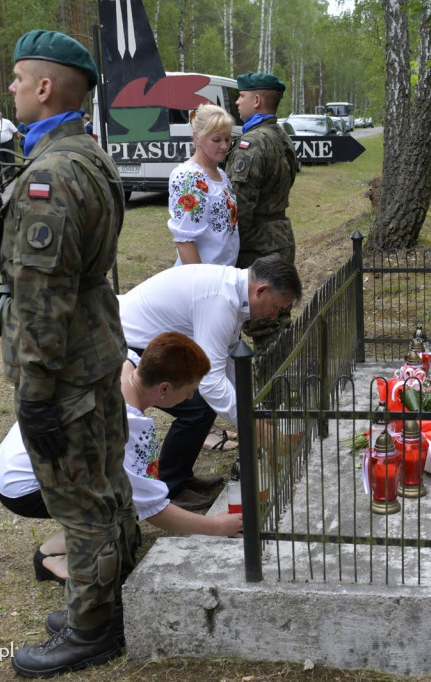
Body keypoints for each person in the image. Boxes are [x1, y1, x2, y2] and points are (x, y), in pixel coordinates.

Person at [0, 29, 135, 677]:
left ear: (46, 86)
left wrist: (34, 392)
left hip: (67, 368)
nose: (13, 89)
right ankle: (109, 597)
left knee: (79, 501)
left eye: (20, 79)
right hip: (97, 350)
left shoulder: (49, 176)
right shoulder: (89, 155)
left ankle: (91, 628)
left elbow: (39, 298)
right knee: (107, 487)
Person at [0, 332, 243, 583]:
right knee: (117, 504)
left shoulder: (124, 361)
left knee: (122, 501)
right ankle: (51, 556)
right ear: (164, 388)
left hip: (17, 460)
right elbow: (151, 507)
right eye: (189, 392)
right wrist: (216, 527)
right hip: (25, 488)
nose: (190, 399)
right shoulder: (124, 424)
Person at [118, 255, 302, 510]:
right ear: (261, 290)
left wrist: (252, 412)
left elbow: (225, 360)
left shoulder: (233, 293)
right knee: (198, 408)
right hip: (130, 341)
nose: (274, 316)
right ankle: (170, 487)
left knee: (201, 405)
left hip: (153, 341)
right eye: (277, 307)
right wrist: (253, 425)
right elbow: (213, 382)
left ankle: (180, 475)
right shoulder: (221, 299)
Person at [226, 72, 299, 351]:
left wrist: (228, 244)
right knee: (279, 316)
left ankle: (272, 390)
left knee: (264, 322)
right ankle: (285, 382)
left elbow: (239, 207)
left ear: (256, 100)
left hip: (257, 244)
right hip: (280, 236)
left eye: (241, 97)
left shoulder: (252, 143)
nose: (237, 104)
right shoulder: (281, 136)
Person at [168, 103, 238, 266]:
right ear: (197, 136)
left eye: (228, 139)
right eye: (216, 139)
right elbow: (184, 241)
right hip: (204, 281)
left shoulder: (220, 174)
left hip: (223, 275)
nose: (224, 146)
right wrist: (201, 284)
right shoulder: (189, 177)